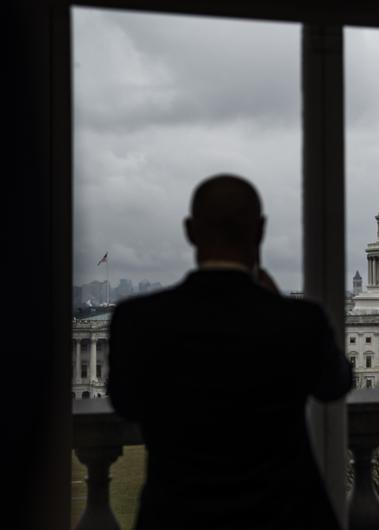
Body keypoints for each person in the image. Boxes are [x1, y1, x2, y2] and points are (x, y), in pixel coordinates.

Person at [108, 174, 353, 530]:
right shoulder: (298, 321)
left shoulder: (138, 320)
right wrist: (279, 305)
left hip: (178, 517)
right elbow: (336, 383)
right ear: (260, 231)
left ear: (191, 231)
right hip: (283, 517)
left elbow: (125, 404)